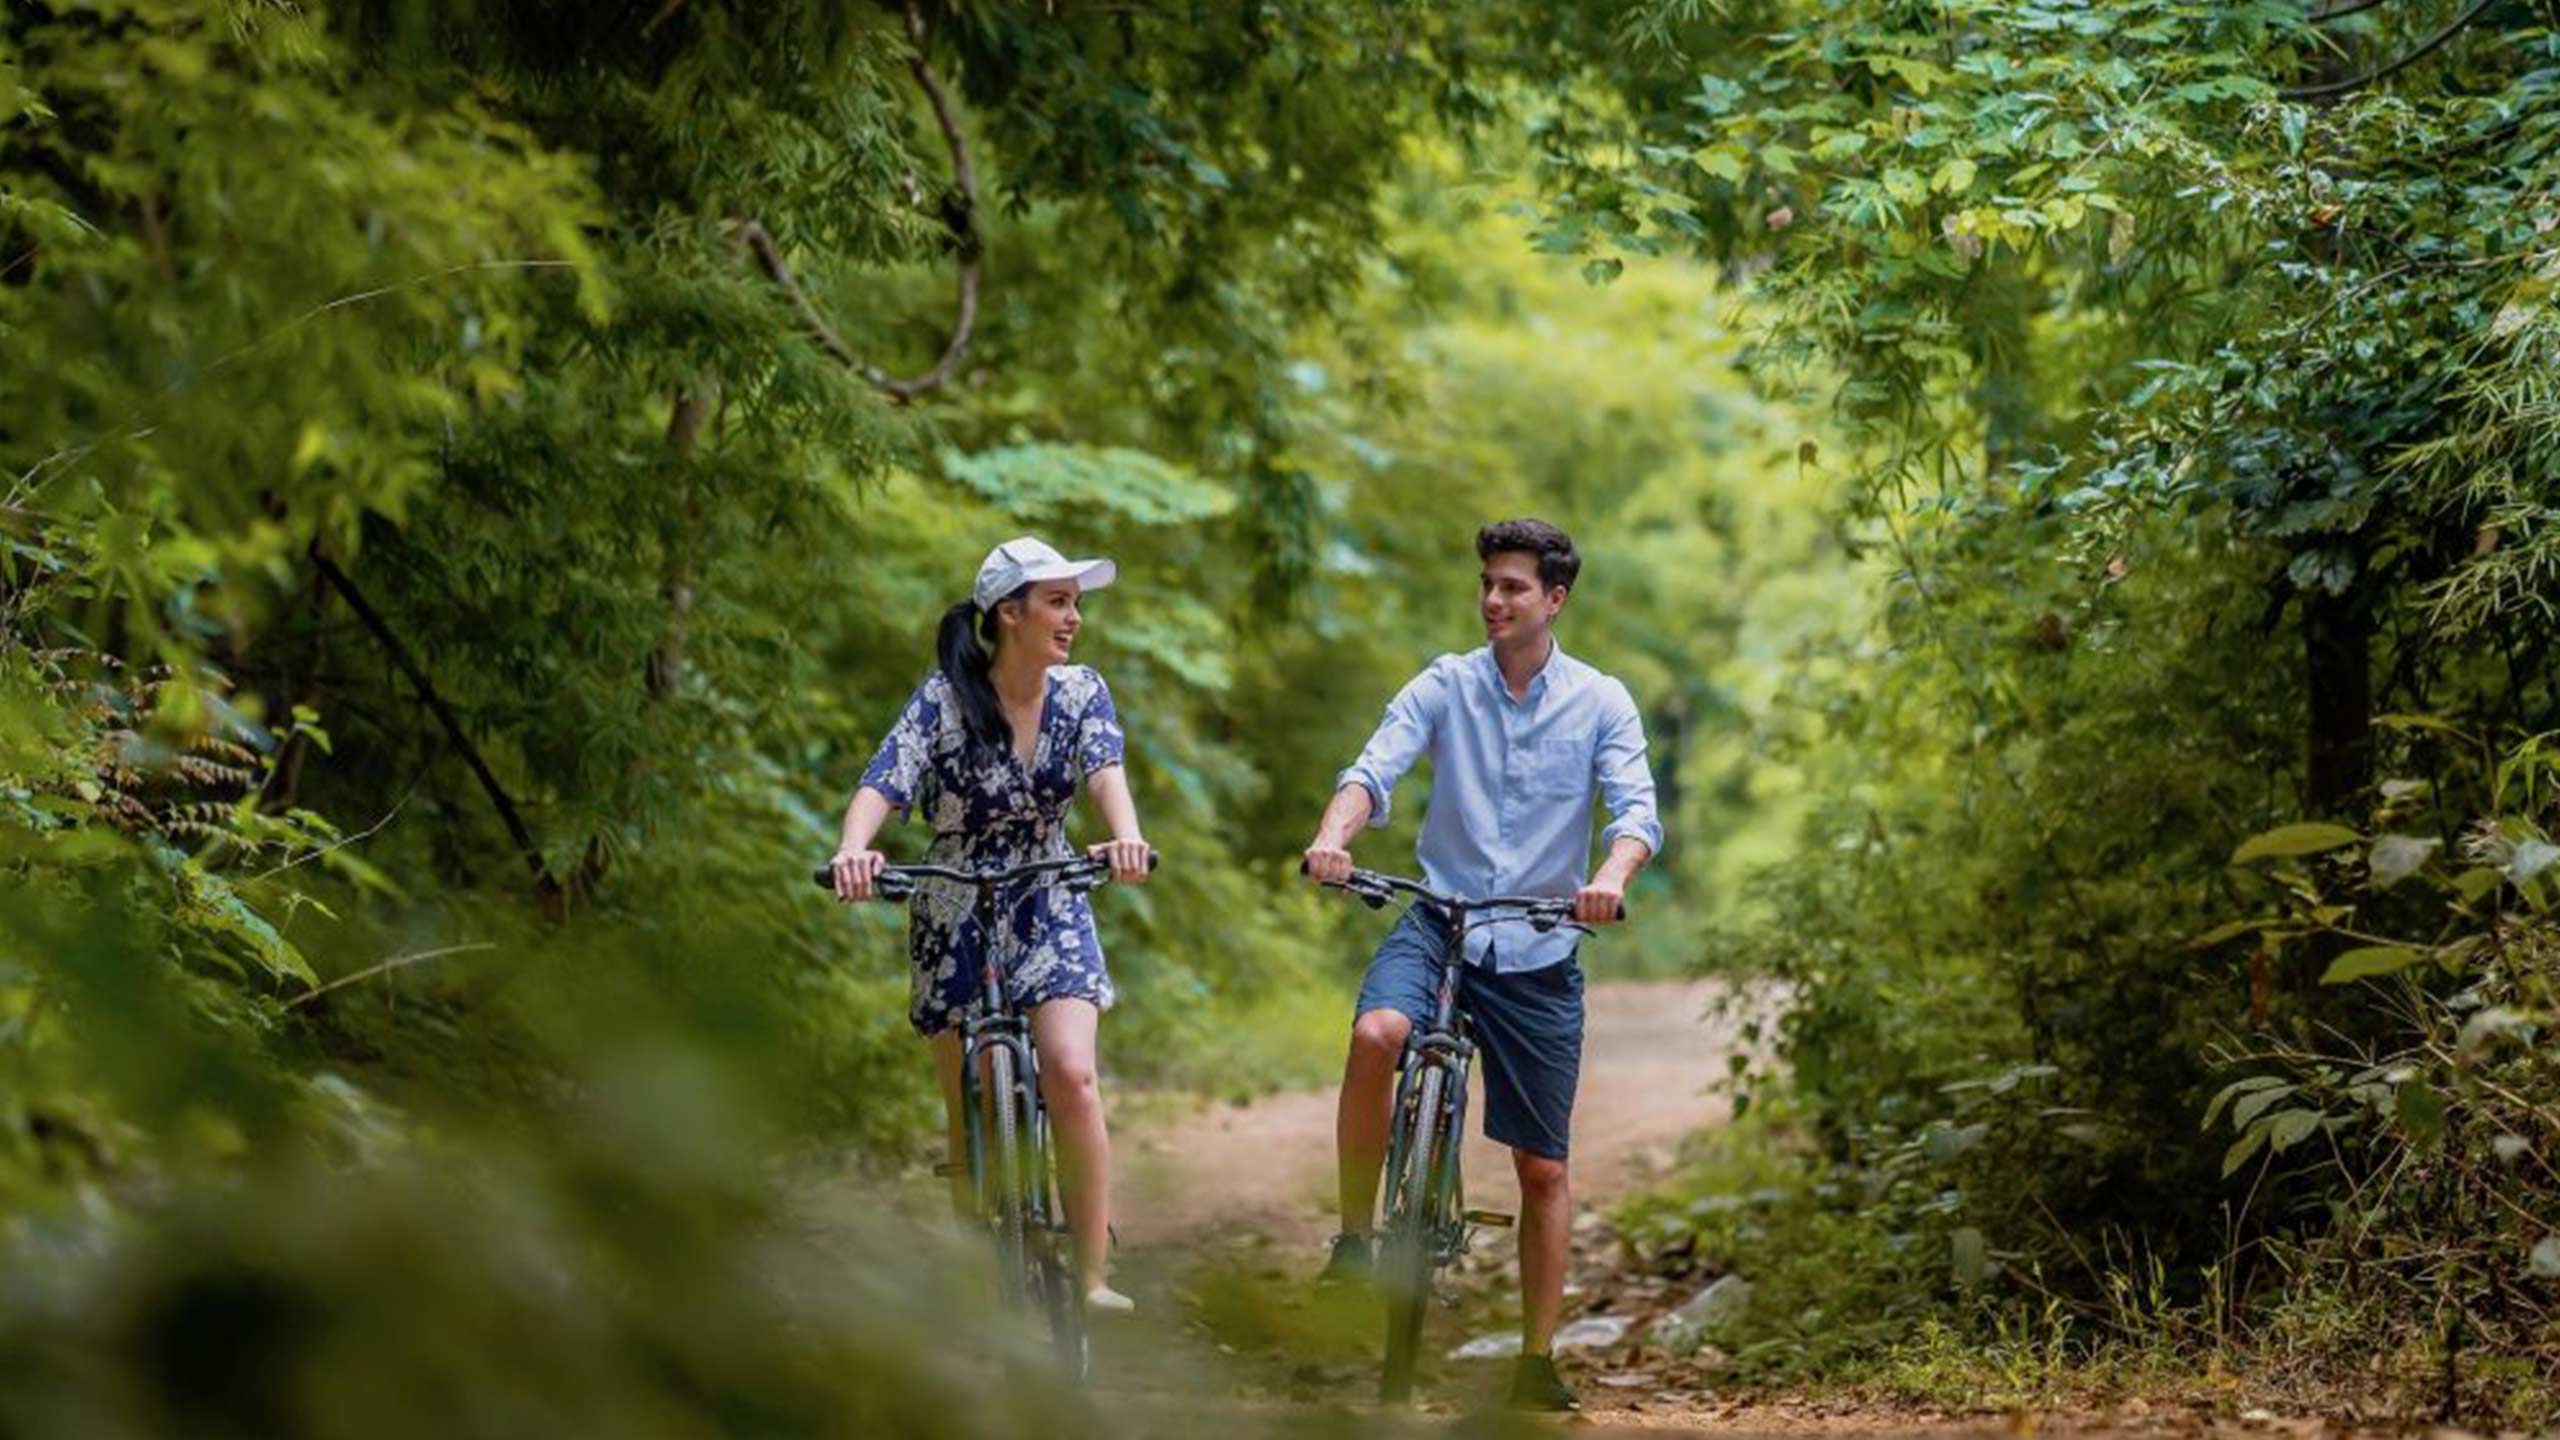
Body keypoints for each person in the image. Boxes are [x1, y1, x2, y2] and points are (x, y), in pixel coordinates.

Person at [1301, 518, 1661, 1412]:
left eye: (1514, 587)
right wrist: (1332, 836)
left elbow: (1635, 811)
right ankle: (1355, 1241)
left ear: (1555, 600)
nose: (1495, 600)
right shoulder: (1445, 685)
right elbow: (1372, 770)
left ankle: (1536, 1362)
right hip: (1441, 919)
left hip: (1539, 941)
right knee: (1378, 1031)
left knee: (1542, 1169)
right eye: (1488, 585)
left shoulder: (1602, 701)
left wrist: (1609, 877)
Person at [830, 535, 1152, 1315]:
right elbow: (885, 781)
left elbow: (1106, 770)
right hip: (952, 899)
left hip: (1048, 888)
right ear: (1010, 614)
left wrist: (1126, 837)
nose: (1073, 617)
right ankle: (983, 1283)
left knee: (1070, 1071)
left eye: (1075, 602)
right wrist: (853, 851)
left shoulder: (1081, 693)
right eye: (1058, 601)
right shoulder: (943, 699)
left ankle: (1092, 1271)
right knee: (970, 1102)